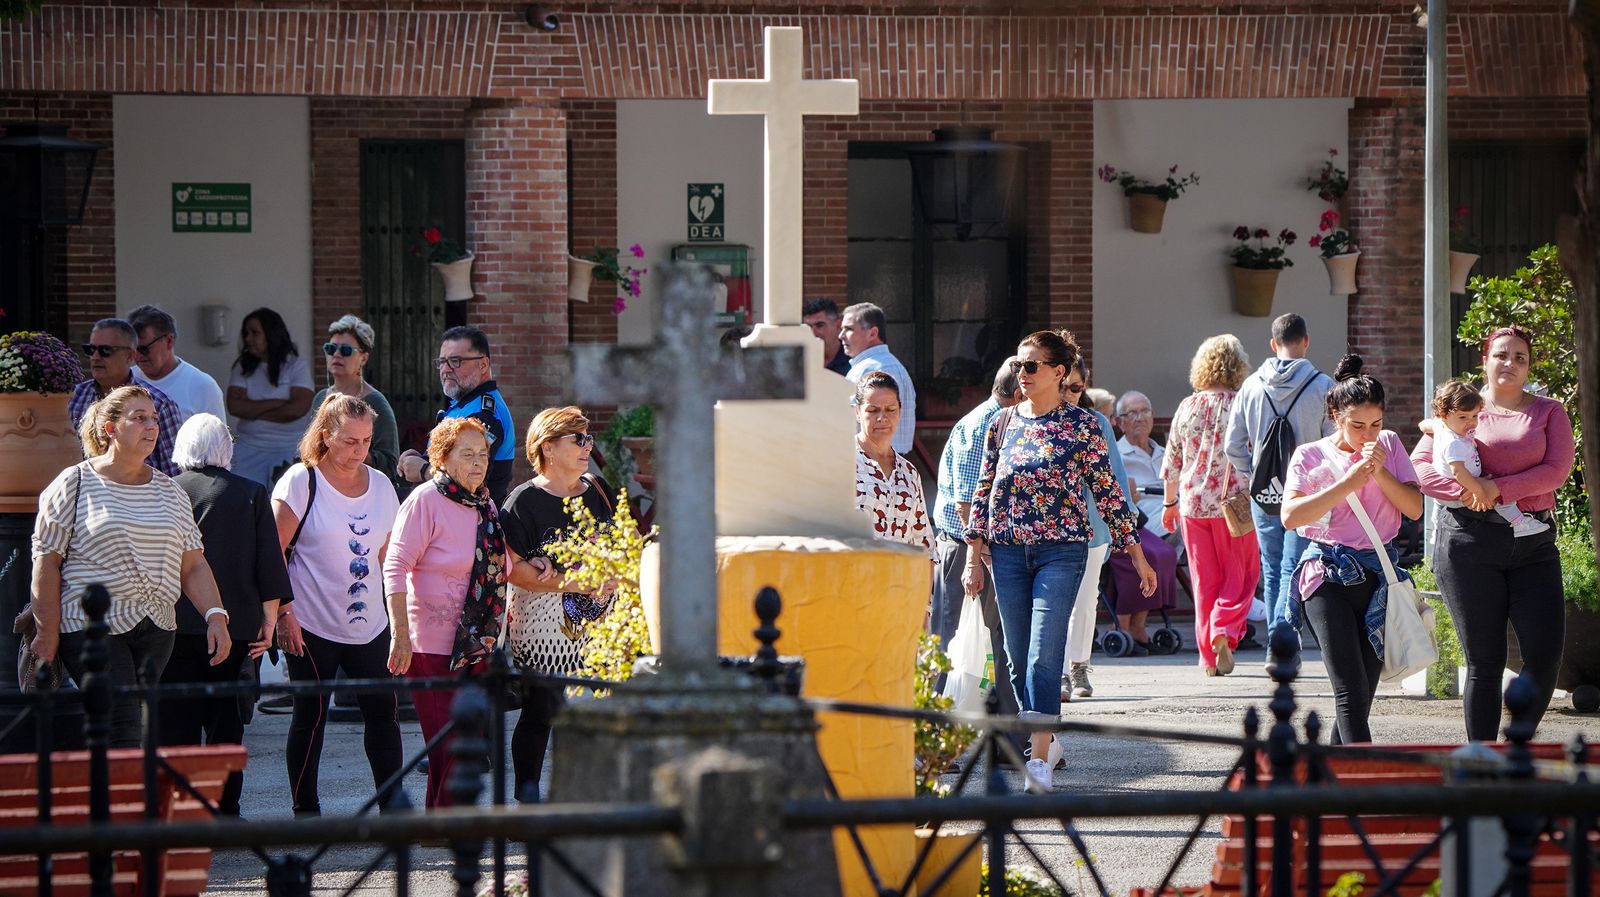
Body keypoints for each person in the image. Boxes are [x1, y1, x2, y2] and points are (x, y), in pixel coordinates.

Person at [964, 330, 1156, 794]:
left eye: (1031, 365)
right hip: (1007, 551)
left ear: (1058, 372)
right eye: (1018, 364)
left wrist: (1136, 552)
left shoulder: (1083, 426)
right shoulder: (1002, 423)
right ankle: (1045, 741)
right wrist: (973, 555)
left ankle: (1038, 758)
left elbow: (1108, 492)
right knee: (1016, 657)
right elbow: (983, 490)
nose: (1022, 373)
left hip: (1062, 551)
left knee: (1043, 653)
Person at [30, 385, 232, 748]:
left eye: (153, 419)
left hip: (157, 627)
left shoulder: (170, 490)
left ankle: (117, 783)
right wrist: (46, 632)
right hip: (91, 627)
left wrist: (215, 615)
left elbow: (193, 564)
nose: (151, 426)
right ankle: (124, 787)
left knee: (137, 725)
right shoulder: (74, 483)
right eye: (139, 418)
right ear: (110, 428)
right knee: (123, 725)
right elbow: (46, 562)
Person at [1410, 326, 1574, 741]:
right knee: (1484, 662)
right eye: (1501, 355)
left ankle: (1516, 745)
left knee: (1545, 657)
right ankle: (1482, 760)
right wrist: (1469, 494)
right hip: (1469, 543)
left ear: (1529, 365)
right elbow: (1420, 467)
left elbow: (1556, 471)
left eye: (1520, 357)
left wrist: (1496, 488)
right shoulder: (1461, 407)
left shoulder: (1549, 411)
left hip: (1533, 543)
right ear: (1484, 361)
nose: (1510, 363)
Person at [271, 395, 402, 817]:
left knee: (384, 714)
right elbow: (273, 552)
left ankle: (393, 807)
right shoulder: (301, 480)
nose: (359, 450)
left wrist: (400, 622)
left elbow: (389, 558)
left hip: (371, 624)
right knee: (310, 715)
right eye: (349, 441)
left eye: (366, 441)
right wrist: (284, 614)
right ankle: (306, 811)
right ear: (326, 436)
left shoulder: (382, 485)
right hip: (310, 621)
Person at [1281, 355, 1422, 744]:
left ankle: (1332, 770)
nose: (1367, 434)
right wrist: (1349, 481)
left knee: (1361, 698)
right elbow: (1290, 516)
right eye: (1357, 425)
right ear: (1335, 416)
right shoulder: (1310, 454)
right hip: (1326, 573)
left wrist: (1379, 471)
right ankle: (1365, 775)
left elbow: (1414, 508)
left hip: (1379, 576)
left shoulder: (1388, 445)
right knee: (1350, 690)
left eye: (1376, 424)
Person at [163, 413, 292, 816]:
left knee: (176, 724)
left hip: (176, 626)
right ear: (226, 448)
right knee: (227, 725)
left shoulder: (166, 490)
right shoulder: (251, 493)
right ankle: (225, 809)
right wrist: (268, 625)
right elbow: (270, 564)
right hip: (236, 629)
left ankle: (183, 809)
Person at [384, 416, 509, 808]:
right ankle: (447, 824)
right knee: (446, 745)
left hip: (477, 643)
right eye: (467, 454)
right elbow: (395, 566)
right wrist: (399, 634)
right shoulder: (425, 500)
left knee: (461, 746)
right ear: (441, 457)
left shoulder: (484, 503)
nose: (478, 462)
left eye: (483, 454)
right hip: (431, 645)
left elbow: (497, 566)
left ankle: (441, 823)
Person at [501, 407, 613, 802]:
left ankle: (583, 796)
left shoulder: (598, 490)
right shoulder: (523, 502)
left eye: (589, 439)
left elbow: (620, 546)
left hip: (597, 622)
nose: (587, 447)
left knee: (590, 712)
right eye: (577, 439)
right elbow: (513, 570)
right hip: (543, 627)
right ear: (547, 447)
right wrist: (577, 582)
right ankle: (528, 797)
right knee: (541, 710)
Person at [931, 359, 1028, 759]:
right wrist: (979, 557)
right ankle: (934, 745)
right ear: (1018, 393)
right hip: (967, 548)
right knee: (952, 644)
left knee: (996, 643)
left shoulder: (1001, 420)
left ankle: (1010, 742)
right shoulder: (983, 425)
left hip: (983, 548)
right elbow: (967, 504)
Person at [1224, 313, 1334, 653]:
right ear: (1306, 341)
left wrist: (1253, 472)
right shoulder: (1322, 386)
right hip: (1307, 492)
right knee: (1294, 566)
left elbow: (1232, 444)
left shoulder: (1251, 386)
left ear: (1273, 344)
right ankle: (1284, 641)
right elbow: (1333, 442)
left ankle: (1277, 642)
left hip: (1265, 491)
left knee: (1272, 568)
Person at [1161, 335, 1260, 678]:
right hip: (1235, 504)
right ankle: (1224, 629)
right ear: (1238, 366)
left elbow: (1172, 460)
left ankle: (1207, 657)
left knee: (1204, 581)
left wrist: (1169, 502)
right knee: (1242, 575)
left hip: (1192, 504)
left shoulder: (1187, 405)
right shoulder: (1244, 404)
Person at [1060, 357, 1134, 699]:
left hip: (1093, 525)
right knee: (1056, 601)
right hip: (1052, 526)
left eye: (1076, 388)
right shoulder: (1037, 419)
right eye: (1063, 387)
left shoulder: (1097, 422)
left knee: (1086, 599)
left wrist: (1125, 521)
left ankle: (1078, 665)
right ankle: (1058, 671)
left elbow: (1115, 473)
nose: (1068, 394)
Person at [397, 326, 516, 506]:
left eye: (455, 361)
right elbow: (449, 461)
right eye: (442, 361)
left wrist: (423, 470)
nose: (445, 369)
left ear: (483, 365)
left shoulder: (484, 414)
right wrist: (420, 458)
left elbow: (472, 482)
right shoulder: (464, 404)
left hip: (473, 518)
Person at [1427, 381, 1548, 538]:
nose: (1471, 422)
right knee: (1498, 497)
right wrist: (1479, 491)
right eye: (1463, 417)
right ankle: (1520, 524)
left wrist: (1427, 425)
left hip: (1444, 496)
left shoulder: (1442, 426)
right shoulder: (1454, 443)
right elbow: (1458, 472)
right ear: (1444, 415)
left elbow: (1425, 425)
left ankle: (1435, 529)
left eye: (1475, 416)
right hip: (1461, 492)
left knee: (1438, 505)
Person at [69, 318, 183, 477]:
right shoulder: (73, 397)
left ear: (130, 356)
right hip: (86, 490)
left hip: (141, 491)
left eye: (105, 350)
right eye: (91, 349)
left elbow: (175, 474)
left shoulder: (159, 404)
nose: (95, 357)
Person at [310, 315, 402, 488]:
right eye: (330, 349)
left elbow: (391, 463)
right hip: (323, 487)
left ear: (363, 358)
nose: (336, 355)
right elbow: (309, 449)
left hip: (364, 490)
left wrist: (350, 447)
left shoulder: (375, 401)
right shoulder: (320, 398)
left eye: (345, 350)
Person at [228, 307, 315, 486]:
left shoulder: (296, 366)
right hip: (248, 450)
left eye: (255, 333)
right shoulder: (242, 367)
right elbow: (235, 407)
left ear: (272, 334)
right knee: (247, 499)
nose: (248, 338)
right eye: (246, 333)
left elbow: (297, 409)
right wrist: (278, 402)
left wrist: (251, 410)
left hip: (290, 449)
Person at [853, 371, 934, 559]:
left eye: (890, 410)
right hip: (853, 574)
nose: (882, 417)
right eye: (873, 410)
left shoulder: (909, 473)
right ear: (857, 412)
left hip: (901, 576)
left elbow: (924, 544)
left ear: (900, 412)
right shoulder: (840, 462)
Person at [128, 304, 228, 424]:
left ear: (169, 341)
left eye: (144, 349)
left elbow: (216, 436)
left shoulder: (203, 387)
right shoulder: (125, 380)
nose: (138, 356)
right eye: (133, 349)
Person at [840, 302, 917, 455]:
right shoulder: (894, 366)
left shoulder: (868, 370)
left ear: (872, 333)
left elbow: (844, 425)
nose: (841, 335)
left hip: (870, 463)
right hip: (890, 462)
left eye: (848, 329)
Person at [1115, 391, 1169, 537]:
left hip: (1179, 517)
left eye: (1145, 411)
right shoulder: (1115, 458)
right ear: (1120, 423)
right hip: (1151, 531)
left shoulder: (1167, 454)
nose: (1140, 418)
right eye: (1132, 413)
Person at [803, 297, 852, 376]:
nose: (813, 332)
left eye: (820, 325)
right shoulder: (799, 361)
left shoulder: (853, 361)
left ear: (838, 325)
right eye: (808, 326)